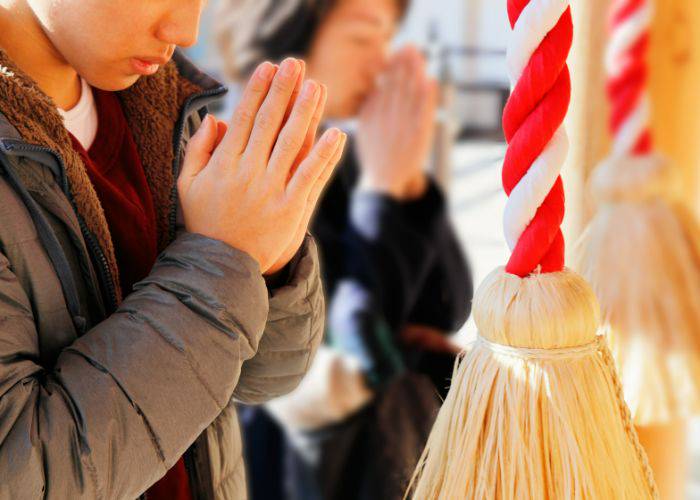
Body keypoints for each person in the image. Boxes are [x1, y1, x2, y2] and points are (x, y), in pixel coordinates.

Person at [0, 0, 346, 498]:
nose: (185, 29)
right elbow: (24, 473)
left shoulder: (163, 103)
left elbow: (264, 378)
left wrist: (269, 262)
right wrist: (221, 259)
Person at [215, 0, 473, 498]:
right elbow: (348, 344)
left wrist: (408, 187)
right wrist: (384, 194)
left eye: (386, 39)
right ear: (286, 32)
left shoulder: (337, 156)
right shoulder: (236, 165)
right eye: (362, 38)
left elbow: (447, 307)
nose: (380, 62)